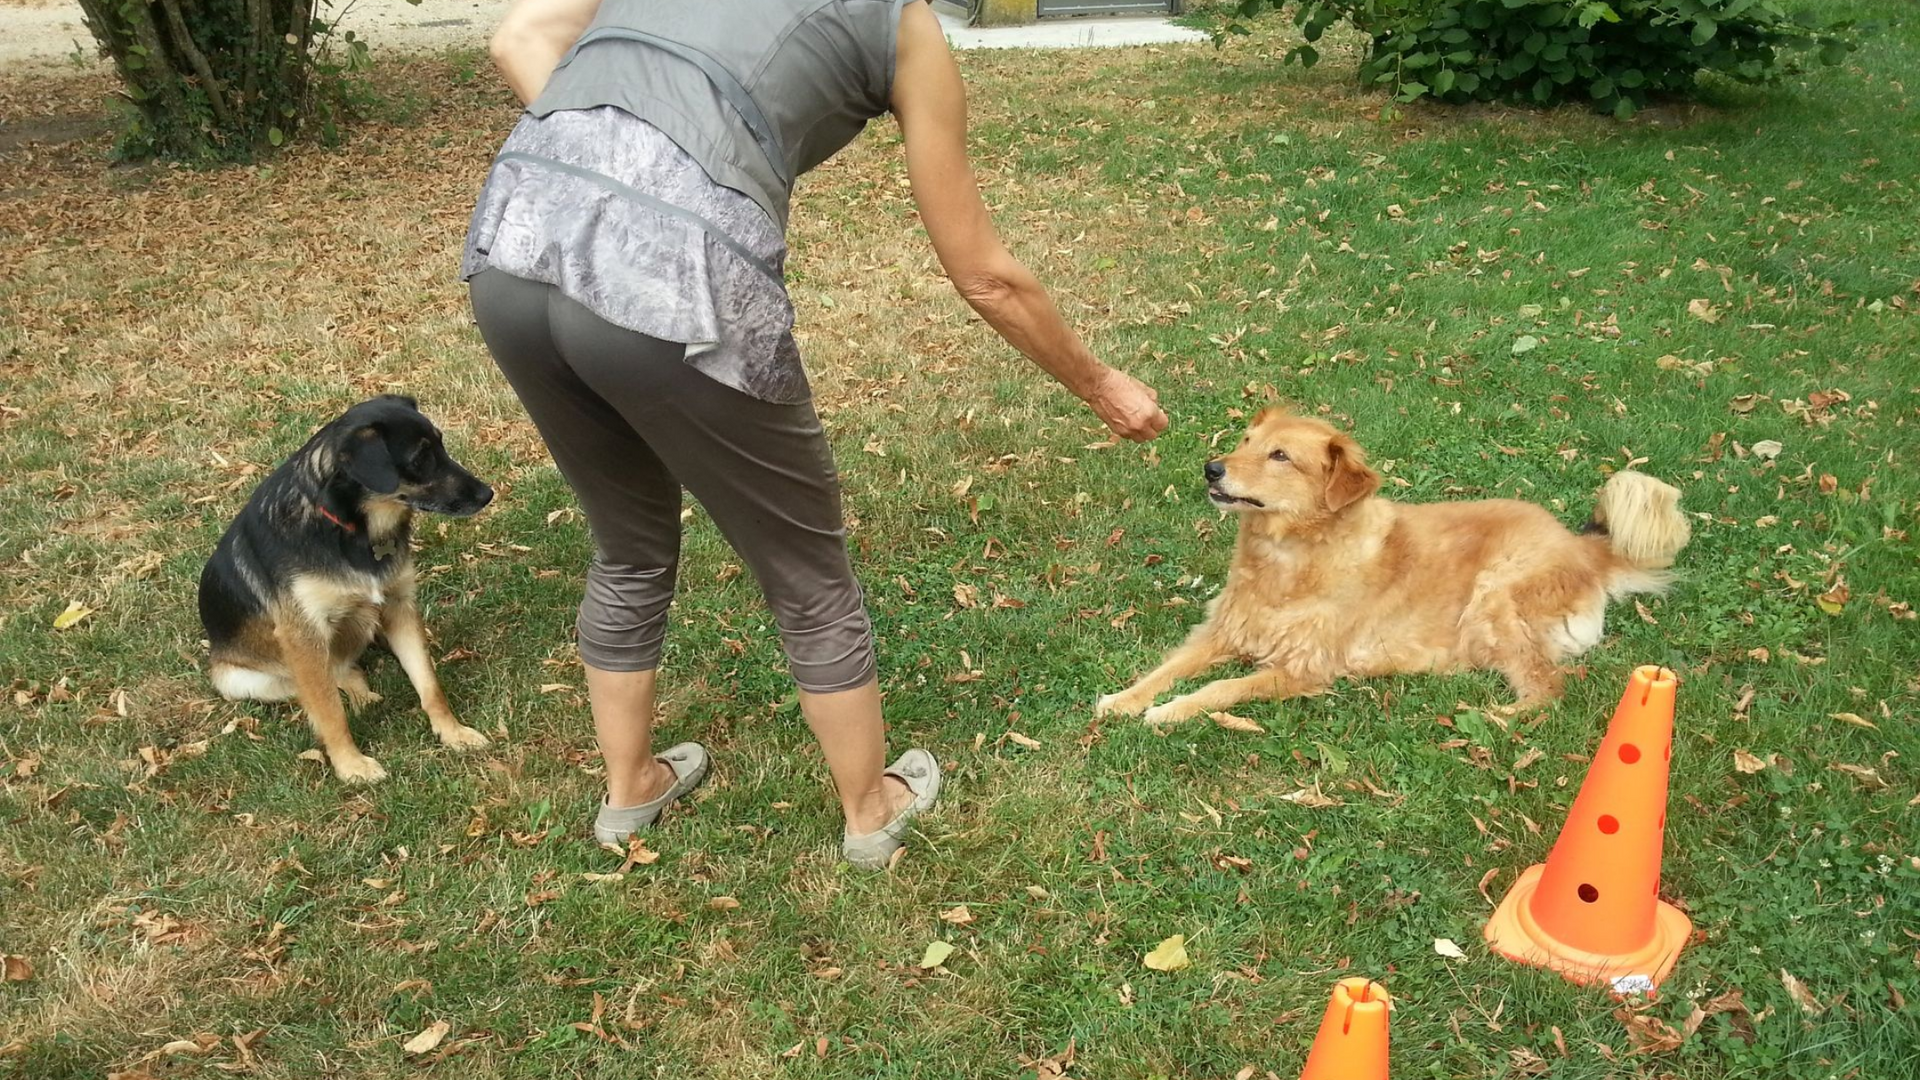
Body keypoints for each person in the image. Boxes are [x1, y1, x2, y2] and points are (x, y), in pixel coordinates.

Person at [468, 0, 1168, 869]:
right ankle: (870, 810)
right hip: (671, 280)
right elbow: (984, 274)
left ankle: (630, 791)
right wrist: (1098, 383)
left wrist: (616, 180)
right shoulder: (905, 25)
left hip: (513, 244)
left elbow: (519, 36)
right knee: (807, 573)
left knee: (628, 544)